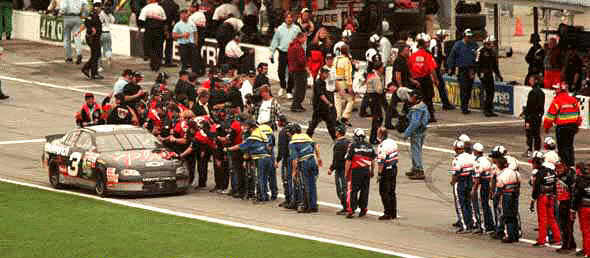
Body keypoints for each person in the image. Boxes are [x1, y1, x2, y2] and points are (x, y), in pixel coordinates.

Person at [226, 120, 272, 203]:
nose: (247, 128)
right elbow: (269, 147)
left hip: (260, 158)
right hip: (268, 158)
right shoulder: (262, 134)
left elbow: (240, 146)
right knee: (265, 178)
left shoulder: (253, 137)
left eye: (248, 127)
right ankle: (265, 195)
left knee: (259, 178)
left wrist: (228, 149)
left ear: (252, 128)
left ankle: (260, 197)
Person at [543, 82, 582, 167]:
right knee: (569, 146)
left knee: (562, 148)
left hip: (562, 127)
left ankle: (564, 166)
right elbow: (578, 115)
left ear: (560, 90)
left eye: (556, 89)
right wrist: (577, 126)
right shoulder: (573, 100)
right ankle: (571, 165)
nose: (554, 90)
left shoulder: (557, 101)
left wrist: (546, 128)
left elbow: (550, 117)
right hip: (572, 127)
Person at [530, 152, 561, 247]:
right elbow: (555, 183)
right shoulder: (551, 171)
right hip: (551, 196)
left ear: (536, 163)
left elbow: (536, 189)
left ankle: (542, 240)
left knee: (542, 219)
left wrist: (533, 200)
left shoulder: (539, 174)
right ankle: (558, 238)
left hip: (542, 198)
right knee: (552, 218)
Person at [344, 128, 376, 218]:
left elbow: (348, 161)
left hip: (356, 171)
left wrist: (346, 173)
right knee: (365, 191)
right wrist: (372, 171)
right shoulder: (369, 146)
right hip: (366, 171)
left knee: (353, 190)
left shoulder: (353, 146)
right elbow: (373, 160)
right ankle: (363, 209)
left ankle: (351, 210)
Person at [490, 153, 521, 243]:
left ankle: (508, 235)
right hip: (515, 195)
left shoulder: (502, 175)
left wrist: (495, 197)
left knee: (506, 216)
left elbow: (499, 189)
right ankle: (515, 235)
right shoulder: (515, 173)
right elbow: (519, 184)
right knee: (514, 215)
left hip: (506, 196)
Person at [269, 11, 301, 98]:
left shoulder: (297, 28)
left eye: (291, 17)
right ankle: (283, 86)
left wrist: (302, 52)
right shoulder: (280, 28)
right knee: (280, 72)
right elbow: (275, 41)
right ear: (285, 18)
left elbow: (301, 40)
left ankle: (289, 90)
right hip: (282, 52)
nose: (289, 19)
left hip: (293, 53)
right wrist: (271, 53)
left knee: (291, 72)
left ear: (293, 18)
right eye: (287, 17)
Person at [447, 29, 478, 114]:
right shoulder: (458, 45)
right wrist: (450, 68)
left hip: (471, 70)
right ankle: (464, 107)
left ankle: (466, 105)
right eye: (467, 37)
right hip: (462, 70)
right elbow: (451, 57)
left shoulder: (474, 45)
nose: (469, 38)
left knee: (469, 89)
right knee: (463, 88)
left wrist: (475, 69)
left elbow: (477, 57)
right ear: (464, 36)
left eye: (470, 37)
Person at [409, 37, 438, 122]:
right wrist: (436, 80)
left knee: (417, 98)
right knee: (428, 99)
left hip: (415, 80)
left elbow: (409, 69)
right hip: (425, 79)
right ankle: (430, 116)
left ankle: (416, 117)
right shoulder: (427, 55)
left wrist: (411, 79)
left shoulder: (413, 56)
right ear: (424, 45)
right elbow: (432, 69)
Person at [450, 140, 476, 233]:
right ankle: (473, 222)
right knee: (469, 202)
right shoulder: (470, 156)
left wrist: (453, 181)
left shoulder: (456, 159)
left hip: (460, 181)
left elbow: (456, 172)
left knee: (461, 204)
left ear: (456, 149)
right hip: (470, 180)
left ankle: (464, 226)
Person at [402, 90, 430, 180]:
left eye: (411, 96)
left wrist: (406, 133)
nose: (409, 98)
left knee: (415, 151)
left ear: (415, 98)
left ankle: (419, 170)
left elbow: (414, 123)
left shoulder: (416, 109)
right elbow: (428, 117)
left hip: (416, 132)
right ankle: (415, 168)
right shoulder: (423, 106)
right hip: (422, 131)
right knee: (417, 150)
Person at [476, 35, 503, 117]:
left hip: (489, 74)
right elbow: (477, 63)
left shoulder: (492, 52)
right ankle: (485, 110)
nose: (493, 44)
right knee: (486, 92)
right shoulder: (480, 50)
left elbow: (494, 65)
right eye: (492, 42)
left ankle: (490, 109)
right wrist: (479, 74)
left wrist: (498, 75)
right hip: (483, 74)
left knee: (491, 92)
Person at [306, 68, 337, 140]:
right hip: (319, 107)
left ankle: (334, 138)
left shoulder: (323, 82)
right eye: (325, 73)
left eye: (327, 73)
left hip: (324, 107)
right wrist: (328, 103)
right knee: (314, 123)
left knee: (330, 123)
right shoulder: (318, 82)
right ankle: (307, 136)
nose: (327, 75)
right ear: (321, 73)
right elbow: (321, 95)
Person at [376, 127, 399, 220]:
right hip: (394, 168)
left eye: (378, 133)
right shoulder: (393, 142)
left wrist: (379, 174)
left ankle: (387, 212)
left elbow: (381, 161)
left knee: (384, 192)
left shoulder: (382, 146)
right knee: (392, 191)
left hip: (386, 170)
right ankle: (393, 212)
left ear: (380, 135)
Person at [138, 0, 167, 72]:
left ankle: (154, 63)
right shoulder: (160, 8)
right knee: (158, 47)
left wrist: (139, 30)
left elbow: (141, 20)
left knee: (149, 47)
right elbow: (165, 20)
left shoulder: (146, 8)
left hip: (149, 30)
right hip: (159, 30)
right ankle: (157, 63)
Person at [472, 143, 495, 233]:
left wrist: (474, 189)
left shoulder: (478, 162)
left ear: (476, 151)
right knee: (486, 205)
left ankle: (483, 226)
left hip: (483, 184)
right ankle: (490, 225)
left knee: (482, 206)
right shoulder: (487, 160)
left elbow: (477, 177)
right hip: (488, 183)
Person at [329, 123, 350, 215]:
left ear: (338, 133)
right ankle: (349, 206)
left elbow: (337, 158)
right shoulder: (349, 142)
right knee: (347, 188)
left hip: (340, 169)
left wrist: (331, 168)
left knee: (341, 189)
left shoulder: (338, 144)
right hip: (349, 168)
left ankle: (346, 207)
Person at [431, 30, 455, 110]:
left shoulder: (438, 43)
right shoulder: (435, 44)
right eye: (444, 36)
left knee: (440, 86)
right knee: (440, 86)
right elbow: (435, 57)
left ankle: (445, 103)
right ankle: (445, 104)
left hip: (435, 68)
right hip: (433, 69)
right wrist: (437, 68)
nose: (445, 38)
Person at [556, 163, 577, 252]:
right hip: (563, 203)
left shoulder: (568, 178)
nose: (558, 170)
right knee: (564, 225)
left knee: (566, 226)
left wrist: (572, 207)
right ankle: (572, 244)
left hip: (567, 204)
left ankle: (566, 246)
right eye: (557, 168)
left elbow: (573, 193)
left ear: (565, 168)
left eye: (560, 168)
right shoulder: (560, 176)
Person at [522, 75, 545, 157]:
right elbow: (541, 108)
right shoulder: (541, 92)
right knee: (537, 134)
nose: (529, 81)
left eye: (531, 80)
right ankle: (537, 151)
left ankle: (529, 150)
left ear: (535, 81)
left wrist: (527, 119)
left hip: (531, 117)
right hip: (538, 117)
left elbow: (530, 107)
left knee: (530, 134)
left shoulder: (533, 93)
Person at [81, 0, 103, 80]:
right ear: (96, 7)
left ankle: (87, 68)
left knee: (96, 55)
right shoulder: (92, 14)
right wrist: (91, 29)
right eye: (100, 8)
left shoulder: (96, 15)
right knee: (95, 55)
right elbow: (87, 23)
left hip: (96, 38)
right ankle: (93, 73)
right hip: (92, 38)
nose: (101, 10)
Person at [571, 162, 590, 258]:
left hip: (584, 209)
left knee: (586, 231)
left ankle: (587, 251)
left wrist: (573, 209)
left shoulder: (580, 181)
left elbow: (576, 196)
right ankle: (586, 249)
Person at [60, 0, 86, 64]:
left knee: (67, 38)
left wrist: (61, 12)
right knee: (77, 37)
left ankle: (69, 57)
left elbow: (64, 7)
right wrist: (83, 14)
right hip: (77, 17)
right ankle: (79, 54)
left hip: (67, 17)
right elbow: (85, 5)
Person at [334, 44, 354, 126]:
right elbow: (348, 74)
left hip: (335, 82)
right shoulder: (346, 60)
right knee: (351, 99)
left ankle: (337, 118)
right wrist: (350, 86)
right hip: (343, 82)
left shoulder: (335, 59)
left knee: (337, 100)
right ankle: (345, 117)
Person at [366, 62, 386, 144]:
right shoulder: (376, 77)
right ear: (379, 68)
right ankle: (373, 138)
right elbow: (379, 90)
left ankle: (374, 137)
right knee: (377, 118)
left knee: (377, 118)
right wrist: (384, 89)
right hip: (375, 98)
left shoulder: (371, 74)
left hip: (370, 97)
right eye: (382, 67)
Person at [173, 9, 198, 73]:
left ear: (188, 14)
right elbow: (174, 36)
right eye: (182, 14)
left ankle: (194, 73)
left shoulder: (192, 23)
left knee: (194, 60)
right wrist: (182, 35)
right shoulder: (177, 25)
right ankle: (184, 74)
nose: (183, 16)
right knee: (184, 60)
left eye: (185, 14)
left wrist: (195, 42)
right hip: (183, 44)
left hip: (191, 44)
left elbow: (195, 33)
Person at [288, 32, 308, 112]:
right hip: (299, 70)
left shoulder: (293, 46)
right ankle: (296, 105)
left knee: (298, 88)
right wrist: (305, 64)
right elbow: (301, 61)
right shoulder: (298, 47)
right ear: (301, 38)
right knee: (300, 89)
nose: (305, 39)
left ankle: (297, 105)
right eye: (304, 38)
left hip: (293, 69)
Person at [276, 115, 293, 207]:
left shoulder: (283, 132)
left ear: (281, 122)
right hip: (295, 157)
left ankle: (289, 199)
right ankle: (293, 199)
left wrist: (278, 160)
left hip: (287, 159)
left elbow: (282, 148)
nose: (277, 123)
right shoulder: (293, 128)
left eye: (278, 121)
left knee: (286, 179)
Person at [188, 2, 206, 76]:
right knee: (197, 53)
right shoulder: (201, 14)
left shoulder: (194, 16)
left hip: (195, 34)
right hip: (200, 34)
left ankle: (195, 71)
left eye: (191, 7)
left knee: (194, 54)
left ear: (195, 8)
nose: (190, 8)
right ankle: (201, 69)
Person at [159, 0, 179, 68]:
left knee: (159, 44)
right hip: (170, 27)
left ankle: (158, 61)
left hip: (160, 26)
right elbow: (176, 18)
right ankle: (168, 61)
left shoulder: (160, 4)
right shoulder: (175, 5)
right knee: (169, 45)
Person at [98, 4, 115, 71]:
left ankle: (100, 66)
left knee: (98, 50)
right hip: (108, 33)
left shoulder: (100, 14)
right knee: (108, 48)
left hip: (101, 33)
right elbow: (113, 21)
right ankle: (108, 56)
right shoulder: (109, 14)